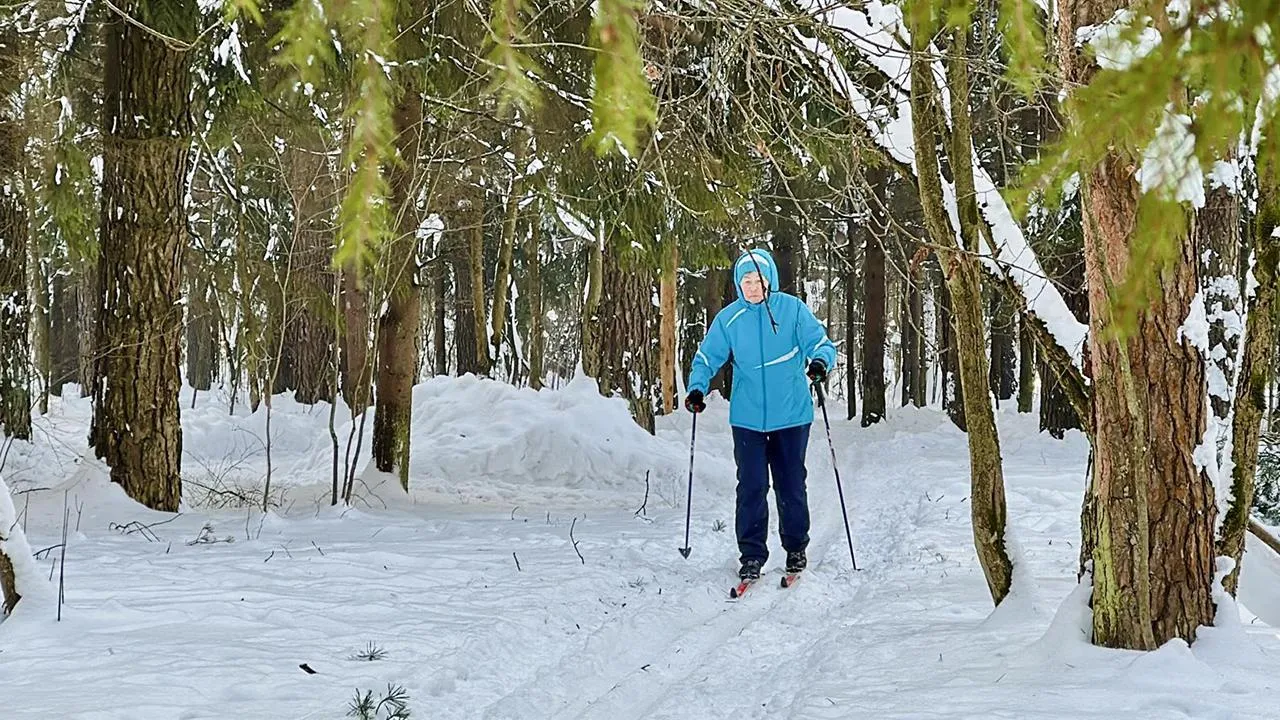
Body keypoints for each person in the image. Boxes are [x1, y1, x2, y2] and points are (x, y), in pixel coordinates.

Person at [684, 248, 837, 582]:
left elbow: (822, 344)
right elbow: (707, 357)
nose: (753, 287)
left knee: (791, 484)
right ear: (740, 285)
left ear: (770, 281)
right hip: (748, 418)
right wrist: (697, 387)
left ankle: (796, 548)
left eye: (759, 280)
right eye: (747, 281)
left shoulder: (792, 309)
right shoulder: (729, 319)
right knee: (751, 486)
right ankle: (752, 555)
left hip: (792, 414)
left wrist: (820, 363)